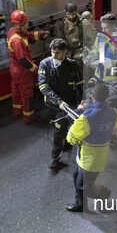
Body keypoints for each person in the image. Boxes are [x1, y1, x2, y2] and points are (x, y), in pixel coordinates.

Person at [65, 84, 117, 212]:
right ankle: (80, 203)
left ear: (93, 96)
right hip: (97, 157)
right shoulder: (113, 112)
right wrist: (89, 108)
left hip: (88, 160)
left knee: (84, 187)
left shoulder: (87, 118)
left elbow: (70, 138)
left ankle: (104, 194)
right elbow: (116, 123)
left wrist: (80, 111)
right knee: (76, 177)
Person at [38, 38, 83, 169]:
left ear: (65, 52)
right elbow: (43, 86)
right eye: (52, 52)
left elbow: (79, 84)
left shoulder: (73, 65)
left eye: (58, 52)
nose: (54, 55)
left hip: (70, 103)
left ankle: (62, 148)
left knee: (65, 127)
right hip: (54, 104)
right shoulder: (45, 64)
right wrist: (58, 102)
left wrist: (82, 99)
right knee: (58, 128)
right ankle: (60, 150)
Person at [7, 10, 49, 124]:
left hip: (14, 69)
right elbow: (24, 62)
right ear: (17, 25)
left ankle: (17, 111)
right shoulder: (17, 41)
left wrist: (39, 34)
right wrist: (38, 70)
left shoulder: (13, 32)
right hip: (22, 72)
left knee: (16, 91)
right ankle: (28, 117)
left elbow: (27, 35)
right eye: (24, 25)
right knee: (27, 94)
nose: (26, 26)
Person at [90, 14, 117, 82]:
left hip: (112, 79)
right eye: (102, 27)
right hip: (98, 74)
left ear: (113, 26)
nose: (103, 30)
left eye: (106, 28)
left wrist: (113, 63)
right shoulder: (100, 35)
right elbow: (96, 49)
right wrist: (91, 55)